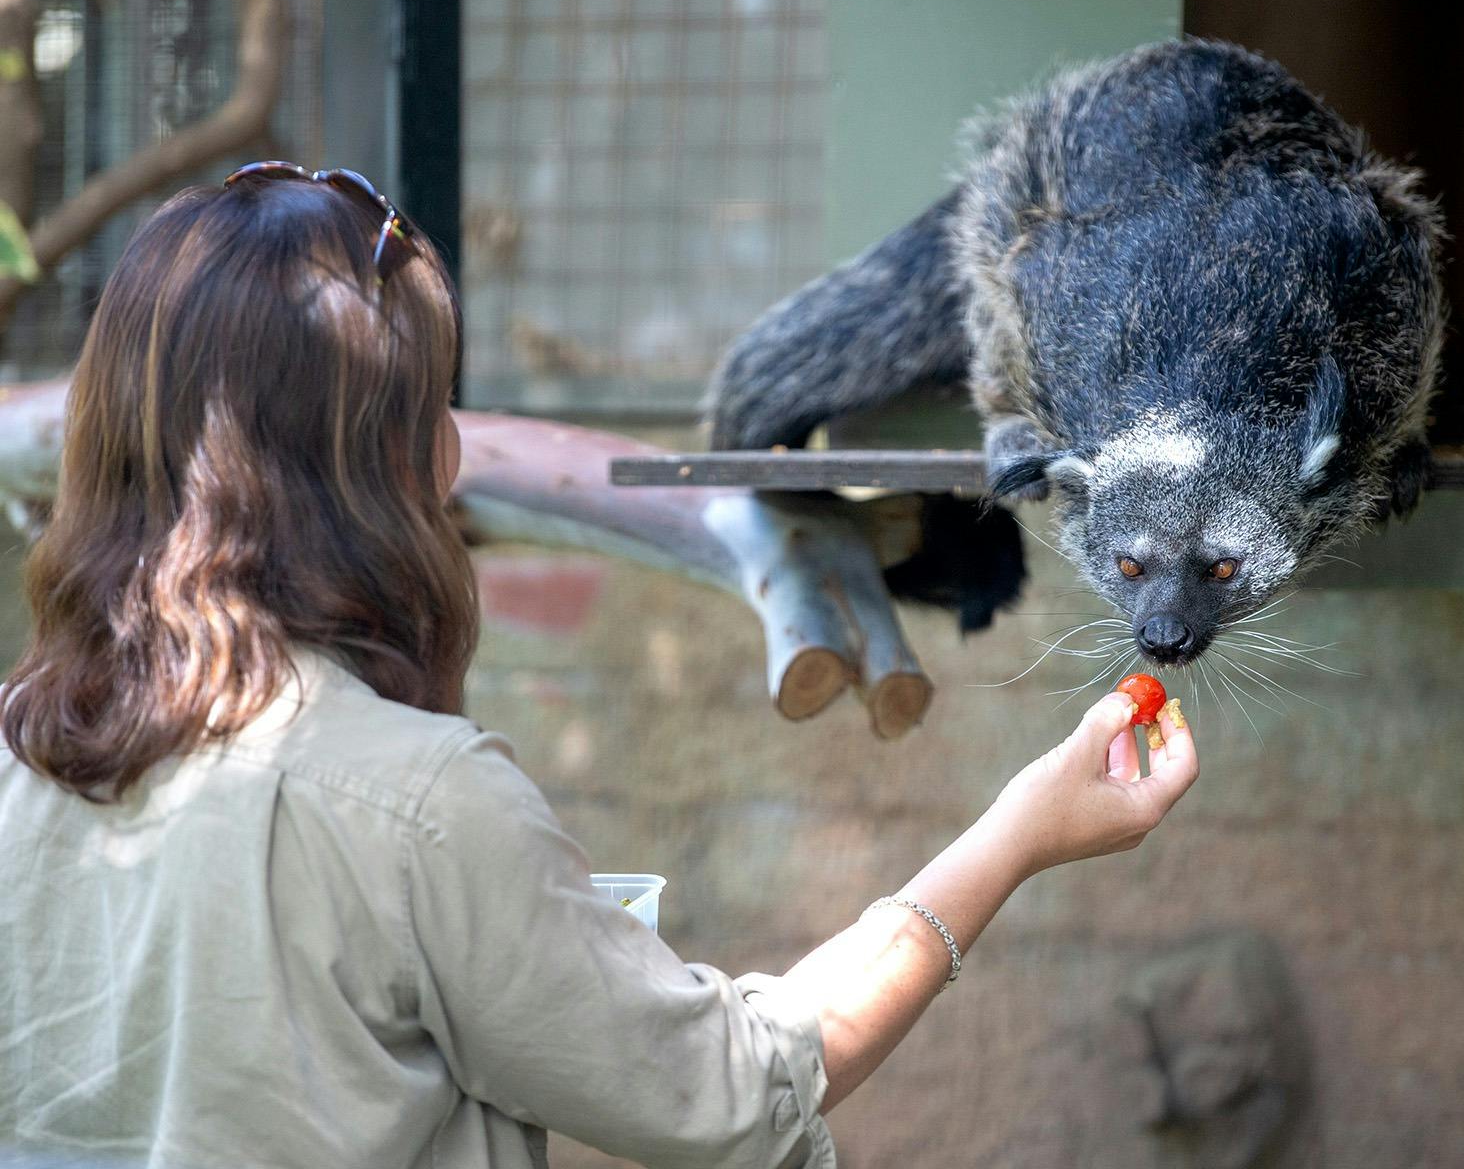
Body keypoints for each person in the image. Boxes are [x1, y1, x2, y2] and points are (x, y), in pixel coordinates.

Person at [0, 164, 1200, 1169]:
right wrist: (1021, 832)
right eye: (434, 408)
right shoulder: (417, 803)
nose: (463, 447)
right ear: (384, 466)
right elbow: (737, 1094)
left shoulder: (23, 760)